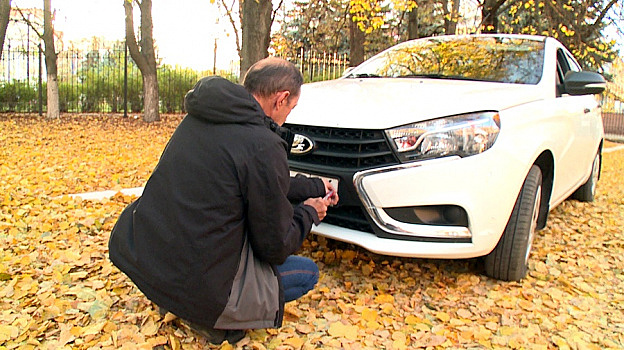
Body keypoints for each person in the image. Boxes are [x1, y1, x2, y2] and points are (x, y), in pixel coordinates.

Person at [108, 57, 338, 344]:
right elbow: (275, 247)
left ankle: (178, 300)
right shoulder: (262, 144)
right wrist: (309, 212)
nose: (288, 117)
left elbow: (258, 181)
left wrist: (316, 185)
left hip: (153, 261)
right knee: (307, 273)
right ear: (281, 99)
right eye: (291, 108)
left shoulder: (200, 118)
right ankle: (216, 321)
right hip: (206, 286)